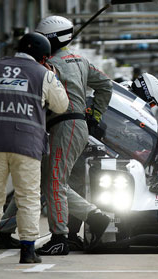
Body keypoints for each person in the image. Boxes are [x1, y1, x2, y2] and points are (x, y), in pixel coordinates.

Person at [0, 32, 69, 263]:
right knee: (28, 197)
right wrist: (53, 78)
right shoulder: (43, 74)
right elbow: (61, 105)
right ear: (42, 57)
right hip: (26, 144)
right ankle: (28, 250)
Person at [35, 16, 113, 255]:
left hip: (63, 126)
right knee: (49, 182)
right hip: (77, 127)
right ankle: (87, 220)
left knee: (54, 183)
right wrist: (95, 115)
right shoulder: (81, 60)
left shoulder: (51, 65)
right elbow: (106, 85)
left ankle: (63, 237)